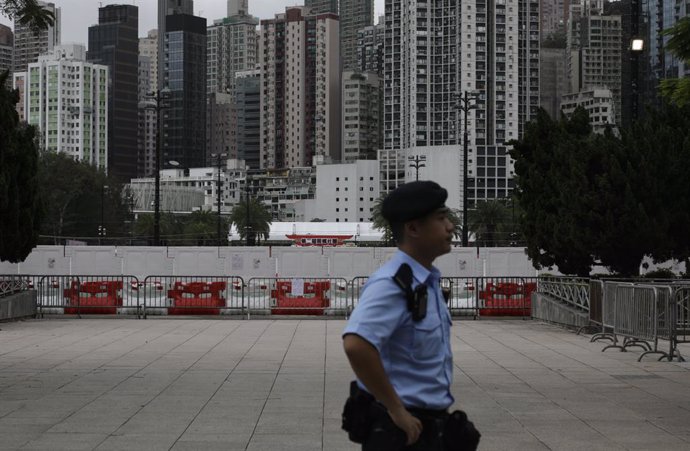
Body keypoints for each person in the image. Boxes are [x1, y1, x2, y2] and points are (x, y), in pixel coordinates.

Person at [341, 180, 479, 451]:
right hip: (403, 433)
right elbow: (356, 344)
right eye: (441, 219)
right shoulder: (392, 284)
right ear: (413, 228)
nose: (450, 227)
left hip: (429, 427)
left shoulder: (424, 281)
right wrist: (396, 410)